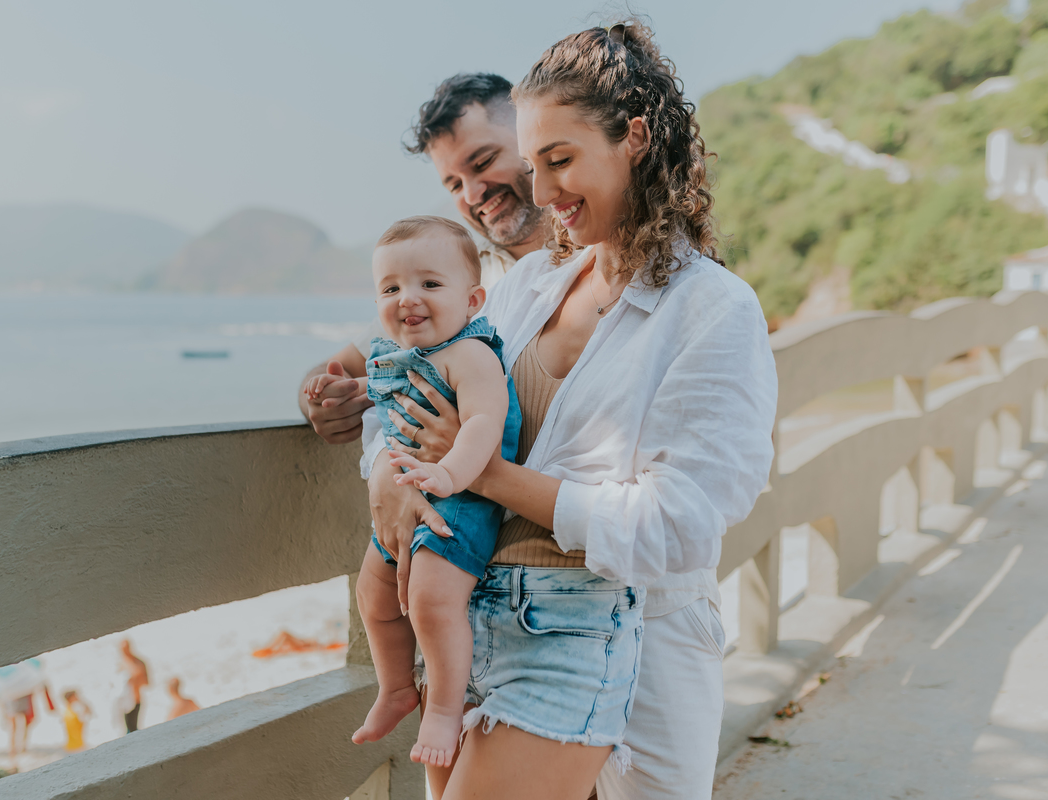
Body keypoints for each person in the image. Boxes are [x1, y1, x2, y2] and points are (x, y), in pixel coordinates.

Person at [365, 21, 777, 800]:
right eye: (534, 165)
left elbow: (680, 525)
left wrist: (488, 475)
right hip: (483, 630)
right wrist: (389, 471)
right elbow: (419, 394)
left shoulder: (714, 310)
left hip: (634, 639)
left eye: (560, 161)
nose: (544, 193)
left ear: (635, 138)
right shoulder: (528, 288)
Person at [314, 215, 520, 767]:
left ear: (472, 299)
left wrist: (451, 475)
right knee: (373, 597)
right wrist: (344, 388)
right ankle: (396, 687)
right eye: (391, 287)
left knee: (431, 601)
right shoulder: (402, 356)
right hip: (409, 500)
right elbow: (379, 391)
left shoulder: (471, 355)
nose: (409, 298)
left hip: (461, 503)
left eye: (429, 284)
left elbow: (483, 423)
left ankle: (445, 708)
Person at [298, 73, 547, 445]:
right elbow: (336, 368)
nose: (473, 193)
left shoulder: (600, 254)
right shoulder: (449, 276)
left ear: (530, 137)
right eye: (454, 184)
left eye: (483, 162)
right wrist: (321, 402)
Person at [119, 640, 149, 734]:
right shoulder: (121, 663)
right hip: (124, 701)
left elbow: (147, 682)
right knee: (124, 728)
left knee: (133, 728)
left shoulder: (139, 663)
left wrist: (135, 680)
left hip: (136, 699)